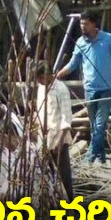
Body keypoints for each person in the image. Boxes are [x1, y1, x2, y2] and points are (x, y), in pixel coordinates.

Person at [56, 11, 111, 164]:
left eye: (85, 23)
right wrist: (57, 75)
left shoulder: (108, 39)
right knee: (94, 125)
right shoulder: (80, 42)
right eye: (81, 23)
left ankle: (90, 156)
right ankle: (101, 156)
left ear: (94, 24)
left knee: (100, 123)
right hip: (90, 89)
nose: (82, 26)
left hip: (107, 88)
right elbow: (73, 64)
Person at [34, 61, 73, 200]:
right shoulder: (40, 87)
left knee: (63, 175)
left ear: (48, 75)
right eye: (37, 78)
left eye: (41, 77)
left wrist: (60, 141)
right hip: (44, 138)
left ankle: (70, 205)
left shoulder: (61, 89)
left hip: (58, 138)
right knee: (47, 174)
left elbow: (66, 117)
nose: (39, 81)